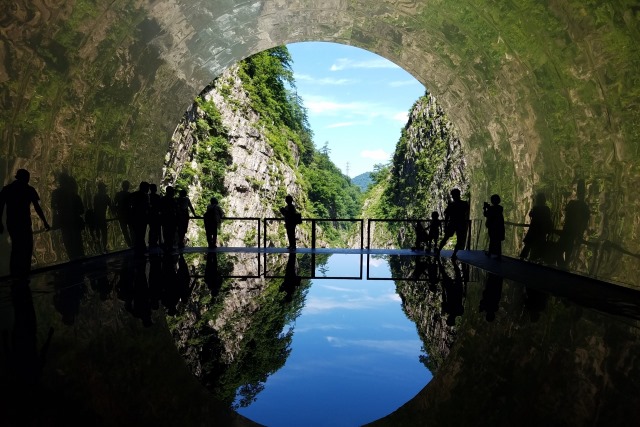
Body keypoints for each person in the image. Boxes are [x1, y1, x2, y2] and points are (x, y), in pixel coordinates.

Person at [0, 169, 50, 277]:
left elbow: (0, 207)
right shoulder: (29, 190)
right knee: (27, 246)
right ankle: (25, 271)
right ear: (25, 178)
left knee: (16, 247)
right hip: (24, 222)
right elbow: (37, 207)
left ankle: (15, 272)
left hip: (12, 222)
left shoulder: (7, 189)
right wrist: (45, 221)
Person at [519, 192, 553, 262]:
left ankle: (522, 260)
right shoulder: (547, 209)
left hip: (533, 230)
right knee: (538, 247)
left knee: (528, 245)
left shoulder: (536, 208)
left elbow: (531, 214)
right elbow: (548, 219)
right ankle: (534, 260)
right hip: (542, 231)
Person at [437, 188, 470, 259]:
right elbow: (466, 213)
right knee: (459, 240)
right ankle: (454, 254)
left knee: (446, 238)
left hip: (452, 223)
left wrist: (445, 225)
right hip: (461, 224)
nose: (452, 197)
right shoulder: (464, 204)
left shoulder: (452, 205)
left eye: (452, 195)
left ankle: (438, 251)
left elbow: (447, 216)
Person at [483, 194, 505, 260]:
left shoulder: (492, 208)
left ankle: (491, 253)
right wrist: (487, 208)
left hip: (493, 227)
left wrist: (486, 208)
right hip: (499, 227)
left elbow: (486, 214)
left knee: (492, 240)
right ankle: (498, 255)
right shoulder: (500, 208)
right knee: (497, 241)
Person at [93, 182, 112, 252]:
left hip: (97, 218)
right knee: (104, 234)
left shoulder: (96, 197)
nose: (105, 189)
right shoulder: (106, 197)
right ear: (102, 188)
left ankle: (99, 249)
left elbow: (95, 208)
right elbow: (111, 206)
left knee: (98, 234)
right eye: (104, 187)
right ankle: (104, 248)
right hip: (102, 218)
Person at [113, 180, 133, 247]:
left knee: (125, 231)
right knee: (131, 230)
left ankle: (130, 245)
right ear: (128, 187)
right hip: (129, 215)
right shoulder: (130, 195)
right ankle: (132, 244)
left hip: (121, 215)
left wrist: (115, 213)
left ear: (122, 186)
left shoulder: (118, 194)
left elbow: (114, 204)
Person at [159, 186, 178, 253]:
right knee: (171, 233)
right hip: (171, 219)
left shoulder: (162, 199)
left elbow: (160, 208)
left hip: (165, 218)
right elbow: (176, 209)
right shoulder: (173, 200)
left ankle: (166, 246)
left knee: (166, 233)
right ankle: (170, 246)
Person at [148, 183, 162, 249]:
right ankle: (156, 242)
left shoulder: (148, 196)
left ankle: (150, 242)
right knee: (157, 229)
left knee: (152, 229)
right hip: (157, 215)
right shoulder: (158, 197)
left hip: (150, 215)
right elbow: (160, 206)